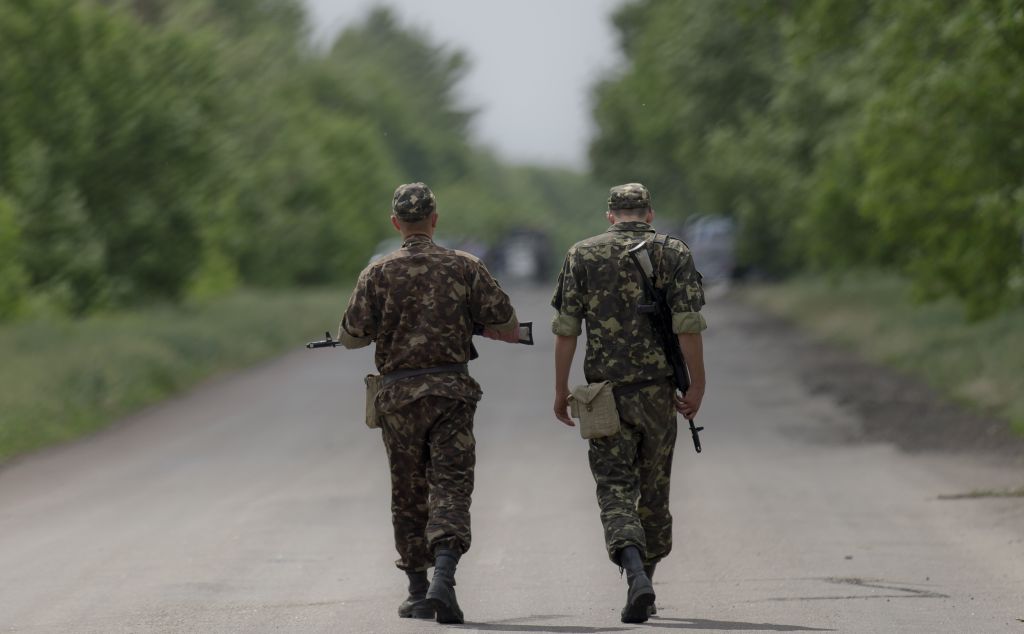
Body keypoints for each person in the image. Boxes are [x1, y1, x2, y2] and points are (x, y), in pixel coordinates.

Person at [337, 182, 520, 624]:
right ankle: (445, 576)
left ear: (396, 222)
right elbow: (511, 327)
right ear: (435, 219)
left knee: (408, 491)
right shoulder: (465, 266)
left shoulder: (376, 274)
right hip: (452, 395)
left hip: (398, 398)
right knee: (451, 486)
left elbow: (350, 338)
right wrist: (469, 322)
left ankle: (419, 590)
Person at [550, 183, 707, 623]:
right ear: (649, 214)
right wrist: (697, 384)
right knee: (654, 491)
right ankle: (647, 582)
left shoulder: (582, 255)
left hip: (603, 394)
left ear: (610, 215)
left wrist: (560, 389)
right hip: (657, 393)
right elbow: (688, 326)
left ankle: (635, 572)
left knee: (615, 488)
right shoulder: (673, 253)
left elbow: (566, 330)